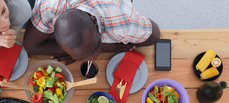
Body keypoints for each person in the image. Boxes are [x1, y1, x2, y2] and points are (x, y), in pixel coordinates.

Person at [23, 0, 160, 63]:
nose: (92, 59)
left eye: (93, 50)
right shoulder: (49, 7)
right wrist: (76, 52)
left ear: (94, 21)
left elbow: (154, 35)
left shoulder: (124, 21)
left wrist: (104, 47)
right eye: (83, 57)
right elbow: (30, 46)